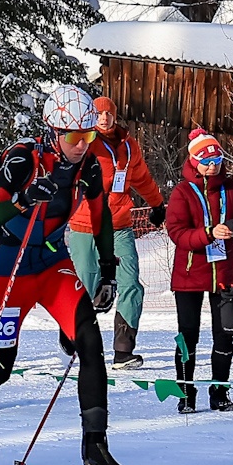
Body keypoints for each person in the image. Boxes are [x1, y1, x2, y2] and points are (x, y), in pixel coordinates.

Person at [0, 84, 129, 465]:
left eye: (88, 136)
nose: (82, 145)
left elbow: (100, 219)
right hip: (8, 268)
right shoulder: (23, 159)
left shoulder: (90, 167)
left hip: (51, 266)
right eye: (73, 137)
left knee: (90, 344)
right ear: (53, 132)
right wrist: (24, 199)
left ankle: (96, 449)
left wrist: (106, 271)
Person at [165, 128, 233, 414]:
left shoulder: (232, 188)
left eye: (217, 160)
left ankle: (219, 391)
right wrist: (209, 232)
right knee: (188, 335)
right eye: (206, 160)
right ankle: (185, 392)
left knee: (225, 333)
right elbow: (177, 233)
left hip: (225, 274)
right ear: (194, 161)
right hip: (189, 275)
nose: (212, 165)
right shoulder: (182, 191)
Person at [70, 97, 165, 368]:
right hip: (85, 225)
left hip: (119, 225)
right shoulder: (84, 142)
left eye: (108, 113)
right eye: (99, 114)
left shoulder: (128, 145)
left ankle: (123, 349)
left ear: (114, 116)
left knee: (131, 284)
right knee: (85, 285)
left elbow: (142, 179)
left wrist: (157, 203)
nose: (104, 118)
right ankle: (74, 335)